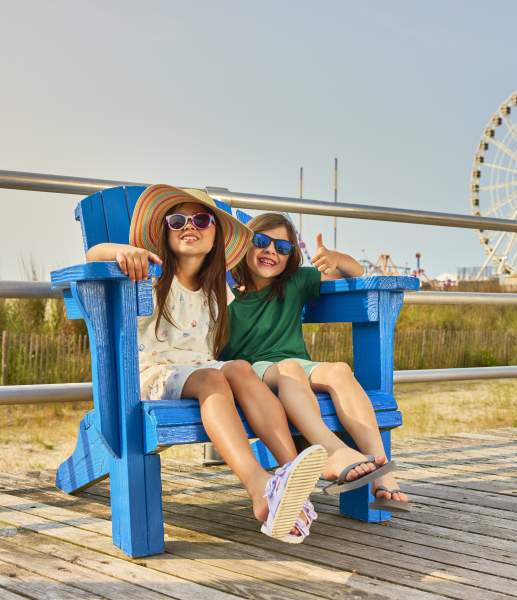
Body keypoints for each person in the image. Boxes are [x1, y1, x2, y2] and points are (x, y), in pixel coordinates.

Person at [85, 184, 327, 542]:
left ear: (216, 235)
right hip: (153, 373)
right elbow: (94, 253)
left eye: (201, 219)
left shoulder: (217, 287)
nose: (189, 226)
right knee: (213, 380)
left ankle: (290, 479)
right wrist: (123, 251)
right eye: (177, 220)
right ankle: (259, 486)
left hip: (201, 367)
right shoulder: (149, 272)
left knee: (240, 368)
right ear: (164, 233)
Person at [222, 212, 409, 512]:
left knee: (339, 370)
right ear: (244, 244)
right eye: (262, 242)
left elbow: (355, 272)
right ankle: (332, 451)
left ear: (290, 256)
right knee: (290, 369)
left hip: (294, 367)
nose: (271, 251)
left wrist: (336, 259)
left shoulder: (294, 283)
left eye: (282, 248)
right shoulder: (225, 293)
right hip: (251, 372)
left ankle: (380, 469)